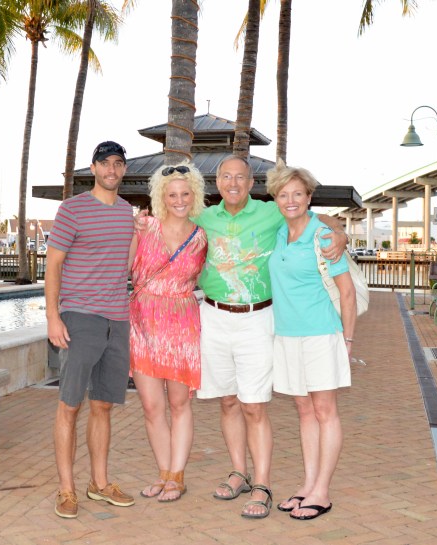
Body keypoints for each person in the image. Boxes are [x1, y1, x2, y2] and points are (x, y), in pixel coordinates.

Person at [193, 155, 348, 519]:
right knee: (228, 402)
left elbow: (313, 216)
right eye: (226, 177)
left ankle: (261, 483)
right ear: (217, 182)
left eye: (240, 177)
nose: (233, 183)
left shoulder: (271, 212)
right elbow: (171, 220)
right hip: (214, 316)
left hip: (258, 319)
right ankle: (238, 472)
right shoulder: (204, 218)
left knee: (254, 404)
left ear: (251, 183)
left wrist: (338, 231)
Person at [45, 141, 136, 519]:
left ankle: (99, 484)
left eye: (118, 164)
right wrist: (53, 316)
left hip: (118, 318)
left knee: (102, 405)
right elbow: (53, 265)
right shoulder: (73, 209)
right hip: (80, 317)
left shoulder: (129, 212)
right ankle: (66, 490)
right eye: (105, 164)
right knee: (70, 405)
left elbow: (127, 262)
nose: (111, 170)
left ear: (123, 170)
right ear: (93, 168)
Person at [266, 160, 356, 521]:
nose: (290, 201)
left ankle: (322, 491)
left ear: (309, 197)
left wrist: (347, 341)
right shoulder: (278, 232)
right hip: (286, 336)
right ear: (276, 199)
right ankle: (307, 485)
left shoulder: (321, 235)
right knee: (304, 411)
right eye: (283, 194)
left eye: (297, 194)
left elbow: (346, 293)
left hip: (321, 334)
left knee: (324, 411)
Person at [129, 162, 208, 503]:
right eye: (172, 194)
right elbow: (122, 265)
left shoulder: (203, 235)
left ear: (195, 196)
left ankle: (177, 476)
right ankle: (164, 473)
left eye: (185, 194)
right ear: (161, 197)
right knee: (151, 405)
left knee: (179, 403)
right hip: (144, 321)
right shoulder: (144, 227)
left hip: (181, 323)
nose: (179, 200)